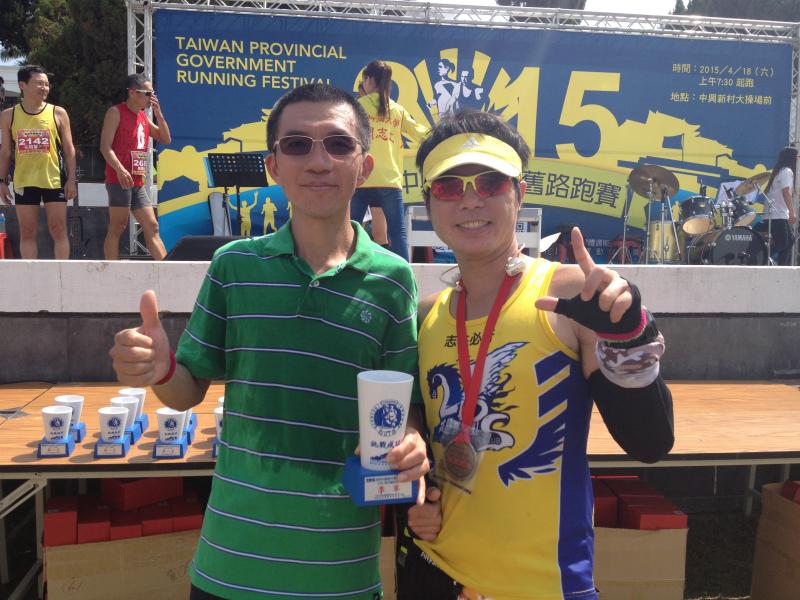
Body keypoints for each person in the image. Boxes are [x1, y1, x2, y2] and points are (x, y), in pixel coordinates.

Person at [109, 83, 429, 599]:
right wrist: (159, 368)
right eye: (297, 144)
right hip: (229, 570)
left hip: (343, 576)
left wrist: (412, 440)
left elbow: (404, 405)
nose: (319, 161)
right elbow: (186, 392)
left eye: (339, 144)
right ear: (274, 166)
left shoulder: (393, 281)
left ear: (364, 167)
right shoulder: (233, 266)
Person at [397, 111, 675, 600]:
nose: (470, 200)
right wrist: (422, 491)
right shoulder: (429, 313)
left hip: (543, 585)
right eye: (448, 186)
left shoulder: (567, 294)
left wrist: (630, 337)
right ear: (428, 203)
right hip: (434, 571)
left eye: (490, 182)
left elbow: (650, 442)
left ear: (519, 193)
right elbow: (429, 428)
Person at [351, 60, 429, 261]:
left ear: (369, 80)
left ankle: (345, 271)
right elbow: (422, 134)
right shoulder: (397, 110)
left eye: (364, 80)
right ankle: (404, 274)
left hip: (362, 178)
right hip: (390, 180)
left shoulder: (357, 107)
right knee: (397, 233)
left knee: (350, 230)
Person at [0, 65, 77, 259]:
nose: (44, 88)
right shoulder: (9, 115)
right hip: (24, 181)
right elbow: (6, 151)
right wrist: (2, 181)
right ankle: (30, 274)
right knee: (27, 231)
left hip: (54, 180)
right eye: (39, 83)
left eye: (46, 84)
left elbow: (69, 149)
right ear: (22, 85)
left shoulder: (58, 112)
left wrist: (71, 179)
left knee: (58, 229)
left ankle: (61, 272)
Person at [100, 73, 171, 260]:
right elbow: (105, 147)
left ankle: (166, 269)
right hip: (119, 179)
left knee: (152, 226)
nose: (151, 97)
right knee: (118, 226)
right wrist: (120, 169)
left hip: (137, 181)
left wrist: (158, 114)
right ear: (132, 93)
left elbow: (165, 139)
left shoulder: (143, 117)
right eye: (147, 93)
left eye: (153, 93)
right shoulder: (115, 112)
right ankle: (112, 269)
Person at [755, 145, 798, 266]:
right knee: (784, 242)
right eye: (797, 157)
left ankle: (782, 267)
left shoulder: (779, 171)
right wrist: (792, 212)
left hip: (775, 214)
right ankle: (759, 256)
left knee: (789, 240)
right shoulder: (787, 171)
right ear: (792, 158)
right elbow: (786, 192)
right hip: (777, 214)